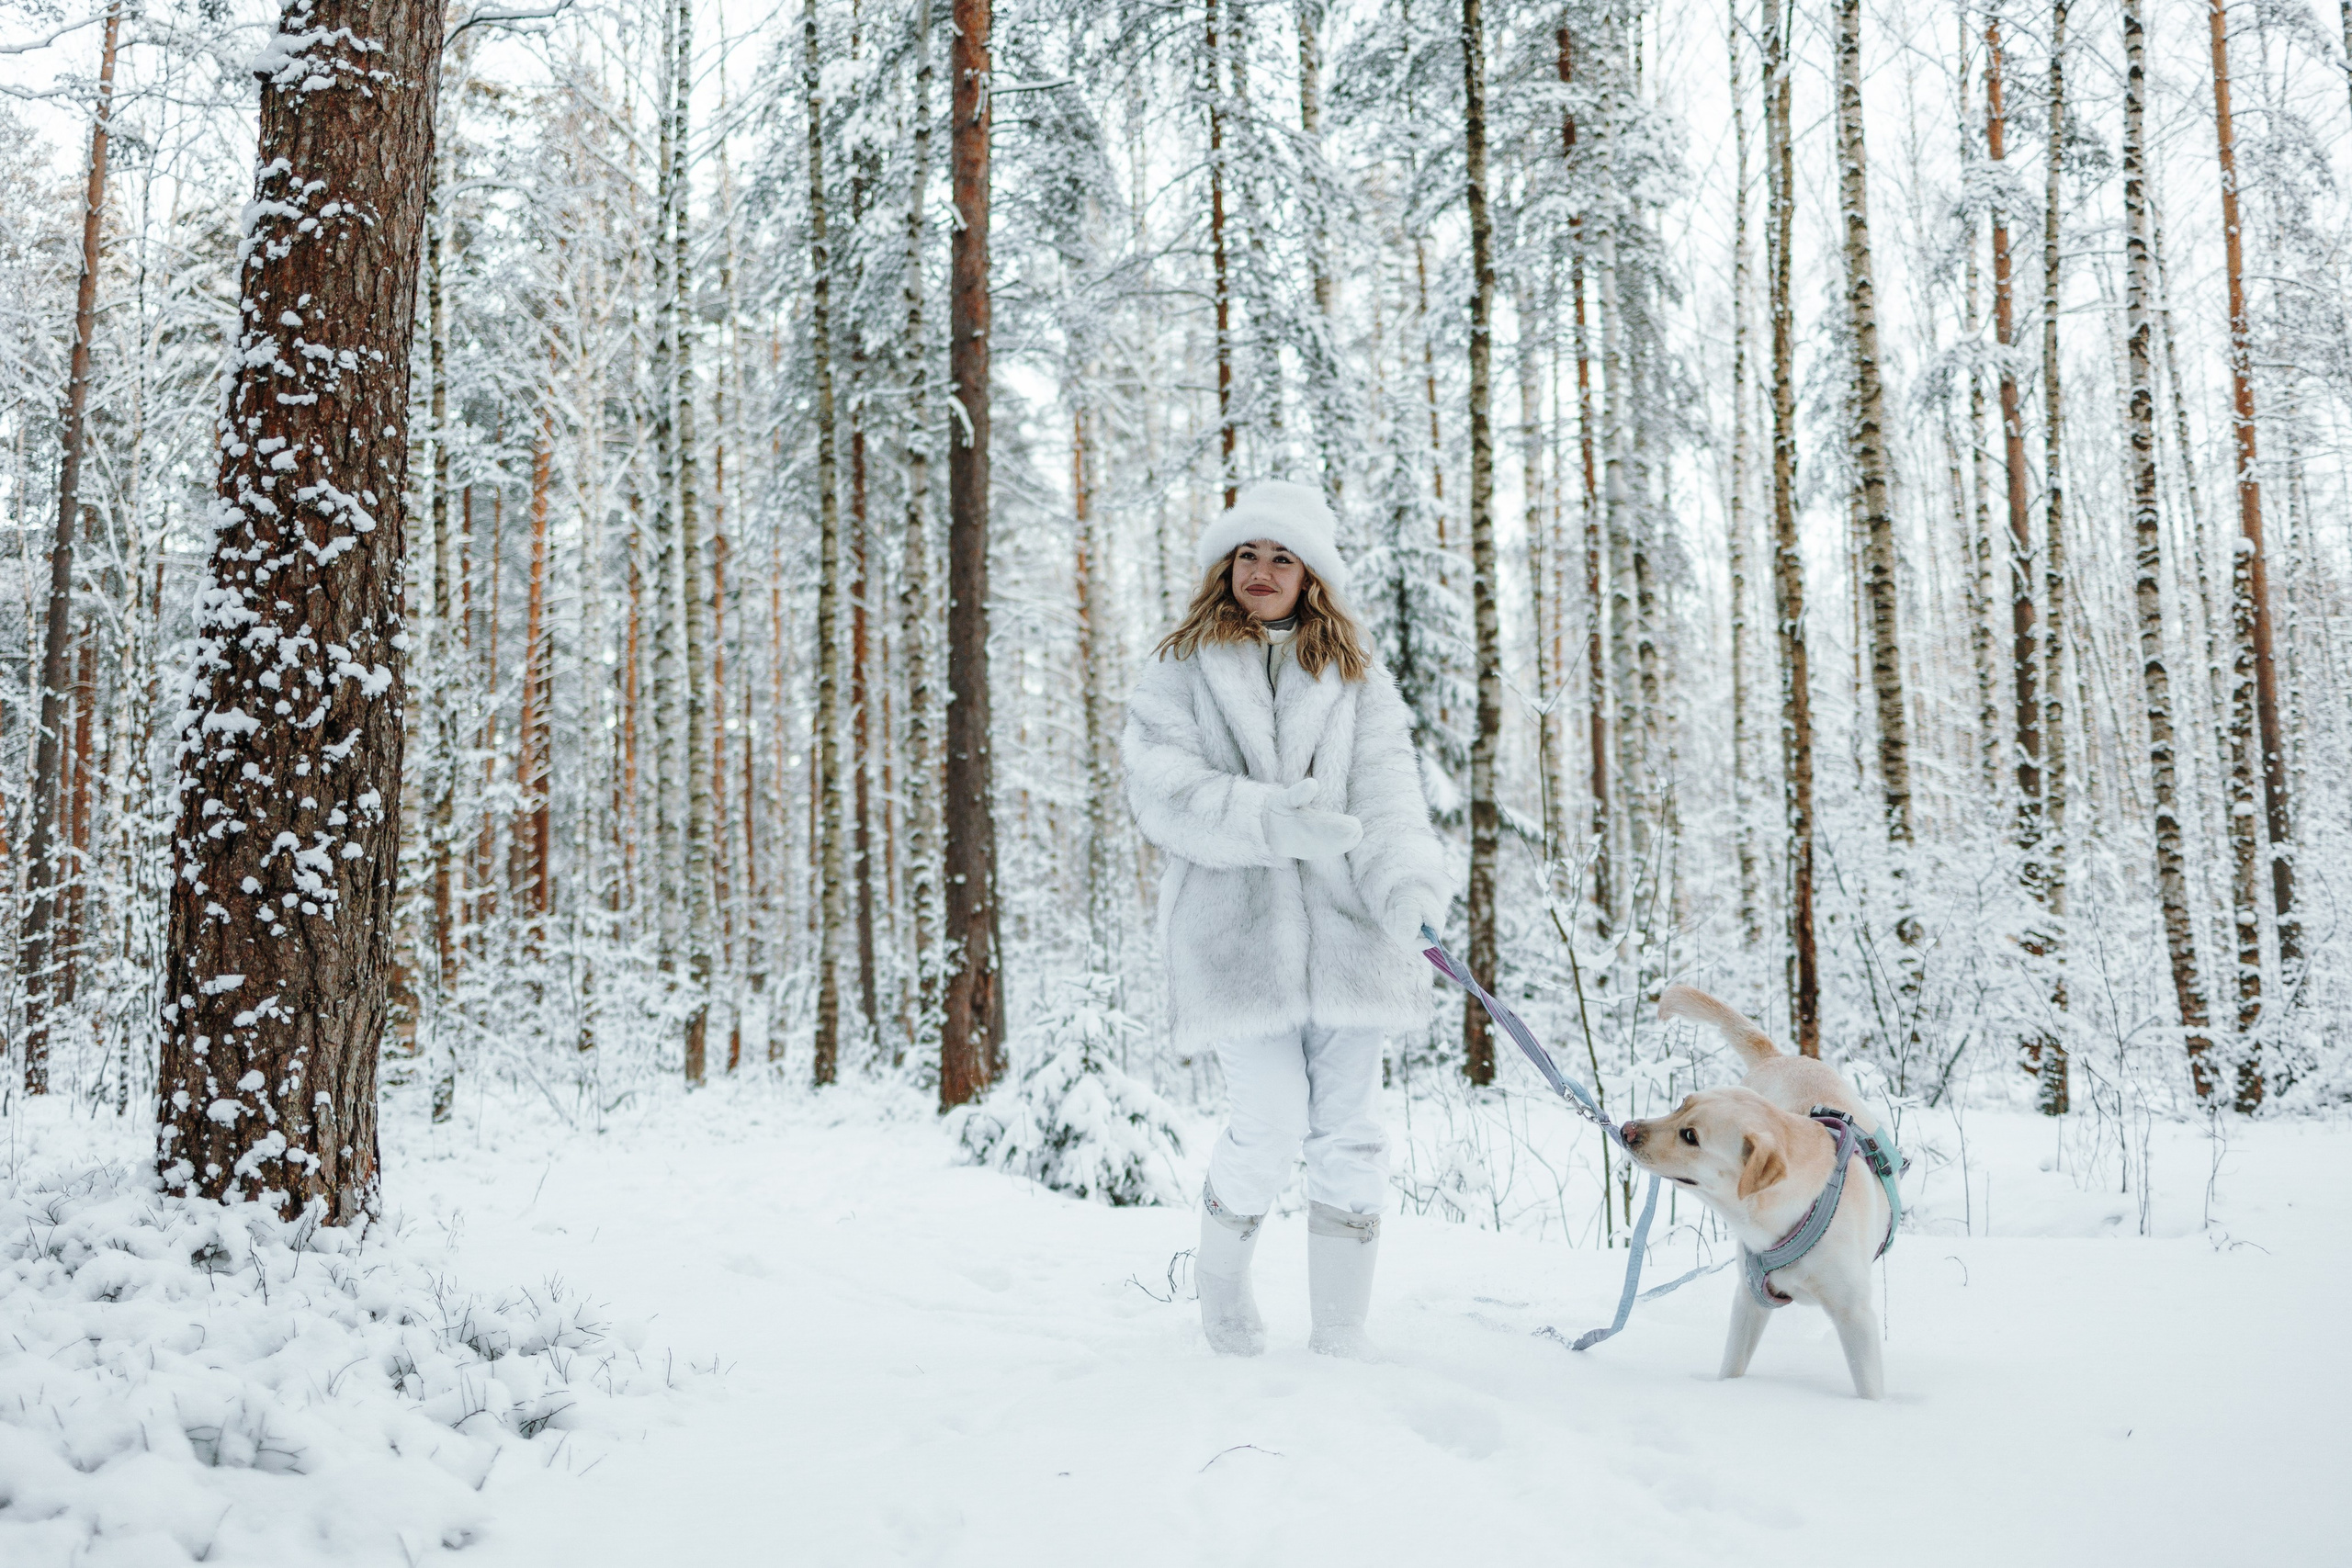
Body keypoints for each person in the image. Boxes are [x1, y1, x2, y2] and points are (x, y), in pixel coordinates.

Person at [1122, 479, 1451, 1358]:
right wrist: (1268, 820)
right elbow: (1161, 792)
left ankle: (1340, 1333)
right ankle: (1222, 1293)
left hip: (1354, 936)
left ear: (1313, 578)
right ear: (1223, 567)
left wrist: (1408, 889)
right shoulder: (1180, 670)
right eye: (1246, 554)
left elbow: (1388, 797)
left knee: (1349, 1129)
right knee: (1267, 1120)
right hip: (1233, 939)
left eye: (1281, 557)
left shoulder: (1354, 679)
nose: (1261, 571)